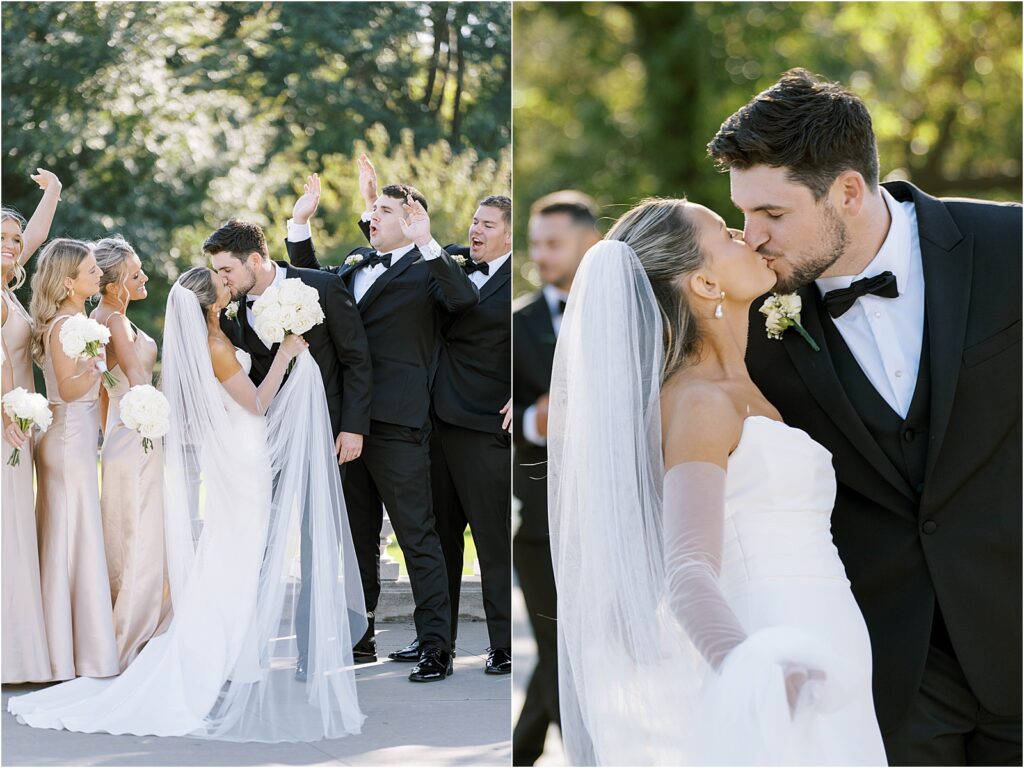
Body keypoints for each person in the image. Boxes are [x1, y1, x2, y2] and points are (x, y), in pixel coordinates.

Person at [709, 68, 1022, 766]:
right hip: (887, 674)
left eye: (773, 214)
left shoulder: (1011, 245)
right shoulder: (751, 314)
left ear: (848, 191)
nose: (751, 237)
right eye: (744, 211)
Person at [548, 198, 887, 765]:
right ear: (705, 283)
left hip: (829, 647)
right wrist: (754, 671)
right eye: (728, 235)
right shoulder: (702, 402)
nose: (749, 238)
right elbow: (686, 572)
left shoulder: (741, 389)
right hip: (777, 653)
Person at [8, 267, 366, 742]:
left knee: (233, 550)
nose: (227, 280)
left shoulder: (219, 333)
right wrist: (286, 352)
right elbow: (257, 403)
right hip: (242, 451)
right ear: (211, 301)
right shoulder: (215, 345)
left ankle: (233, 654)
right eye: (220, 279)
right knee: (235, 551)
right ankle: (220, 654)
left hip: (238, 450)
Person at [286, 169, 479, 683]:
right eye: (372, 212)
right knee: (355, 538)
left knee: (419, 537)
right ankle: (359, 636)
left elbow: (463, 301)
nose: (372, 217)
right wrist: (299, 226)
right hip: (348, 421)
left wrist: (428, 242)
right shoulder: (354, 263)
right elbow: (312, 292)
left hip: (399, 421)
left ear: (413, 219)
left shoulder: (430, 269)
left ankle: (437, 646)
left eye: (385, 211)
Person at [205, 215, 372, 682]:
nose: (222, 281)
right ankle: (250, 647)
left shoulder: (319, 285)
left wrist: (354, 427)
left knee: (319, 540)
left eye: (227, 271)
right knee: (265, 540)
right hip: (271, 441)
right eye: (218, 273)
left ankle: (312, 651)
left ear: (255, 260)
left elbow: (357, 358)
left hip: (331, 434)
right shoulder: (235, 312)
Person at [512, 190, 599, 765]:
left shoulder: (629, 317)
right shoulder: (512, 324)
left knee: (570, 649)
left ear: (589, 242)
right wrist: (536, 420)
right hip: (541, 525)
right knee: (559, 646)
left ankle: (520, 754)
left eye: (553, 243)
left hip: (608, 518)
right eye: (535, 243)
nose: (539, 254)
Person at [29, 238, 119, 681]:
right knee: (72, 536)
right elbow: (67, 389)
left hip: (76, 436)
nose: (99, 274)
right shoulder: (67, 325)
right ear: (68, 282)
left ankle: (69, 647)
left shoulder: (73, 318)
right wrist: (96, 365)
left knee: (71, 534)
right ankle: (73, 654)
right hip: (68, 436)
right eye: (90, 271)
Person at [90, 235, 171, 670]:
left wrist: (111, 433)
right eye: (134, 272)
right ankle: (135, 631)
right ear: (112, 283)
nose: (143, 276)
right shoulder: (115, 323)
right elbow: (138, 380)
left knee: (125, 531)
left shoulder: (103, 318)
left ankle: (126, 624)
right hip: (138, 434)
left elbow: (107, 394)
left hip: (124, 434)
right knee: (137, 532)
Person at [1, 168, 61, 684]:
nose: (10, 245)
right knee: (9, 530)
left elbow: (36, 236)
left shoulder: (7, 288)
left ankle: (17, 650)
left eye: (12, 240)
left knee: (15, 528)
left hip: (17, 421)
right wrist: (8, 410)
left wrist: (54, 193)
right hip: (6, 427)